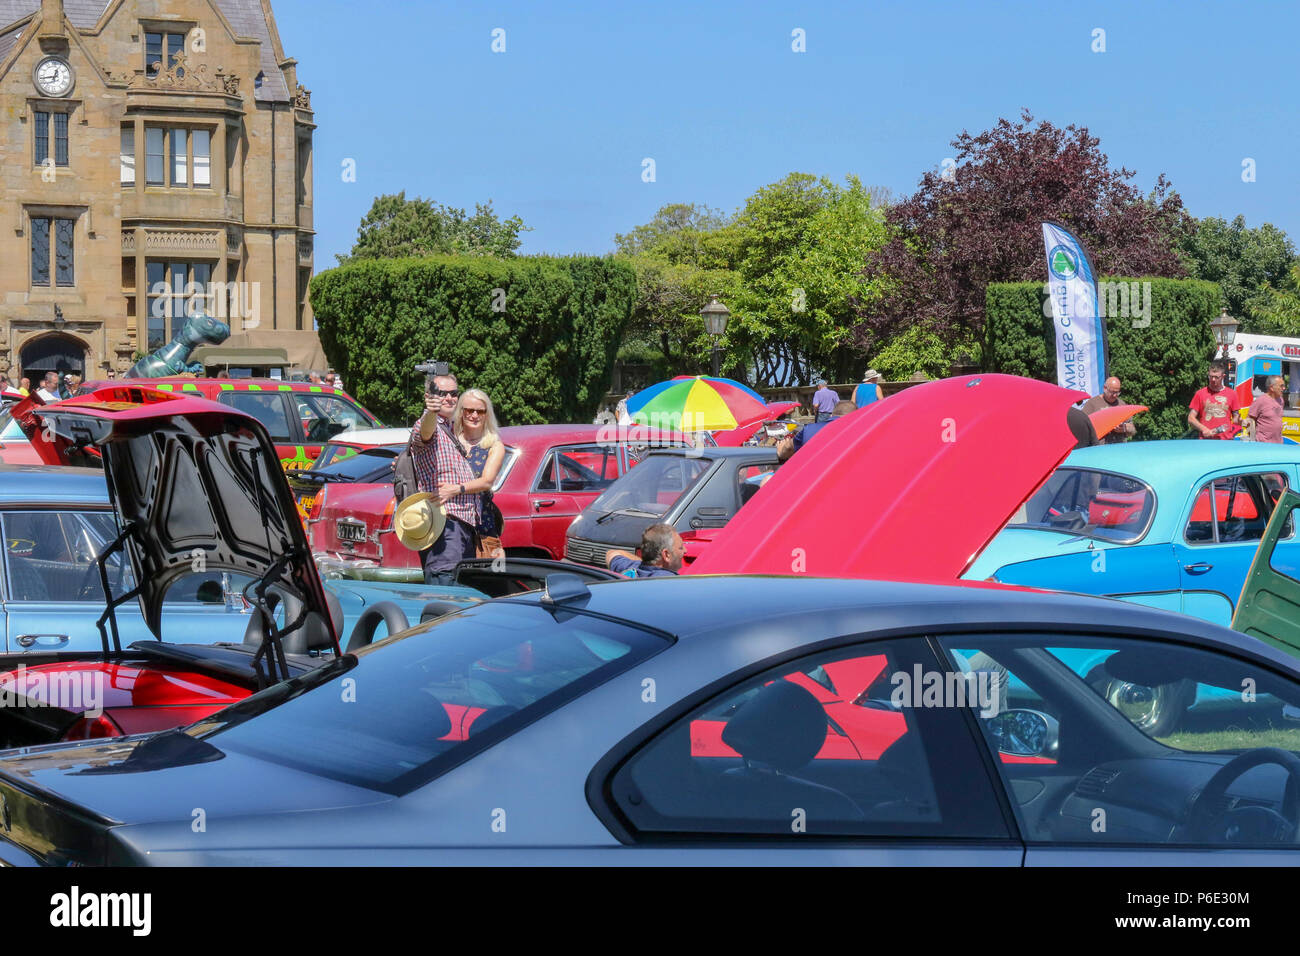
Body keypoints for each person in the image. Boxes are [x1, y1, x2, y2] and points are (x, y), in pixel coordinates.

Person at [408, 371, 480, 585]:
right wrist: (431, 411)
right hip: (444, 527)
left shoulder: (454, 429)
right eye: (441, 393)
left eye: (453, 393)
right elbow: (425, 433)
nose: (449, 398)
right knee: (445, 594)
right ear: (429, 396)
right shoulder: (429, 425)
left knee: (460, 600)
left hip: (464, 526)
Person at [451, 388, 507, 558]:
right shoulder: (450, 441)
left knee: (489, 578)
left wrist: (456, 489)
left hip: (482, 528)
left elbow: (486, 481)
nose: (474, 415)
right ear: (461, 412)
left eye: (480, 411)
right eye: (469, 410)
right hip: (451, 525)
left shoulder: (494, 446)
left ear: (486, 415)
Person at [777, 400, 855, 462]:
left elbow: (789, 447)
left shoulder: (809, 429)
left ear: (831, 415)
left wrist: (781, 452)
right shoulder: (860, 431)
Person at [606, 524, 685, 578]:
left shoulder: (631, 567)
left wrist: (646, 564)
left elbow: (611, 553)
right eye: (681, 548)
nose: (685, 551)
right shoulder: (670, 581)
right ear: (666, 554)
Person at [1188, 361, 1241, 439]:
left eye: (1216, 377)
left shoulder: (1232, 394)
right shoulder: (1200, 394)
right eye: (1211, 376)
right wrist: (1204, 429)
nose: (1213, 379)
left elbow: (1236, 420)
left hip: (1225, 441)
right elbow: (1191, 418)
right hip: (1206, 441)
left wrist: (1241, 421)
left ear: (1223, 376)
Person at [1079, 376, 1136, 443]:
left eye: (1117, 392)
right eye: (1112, 392)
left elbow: (1133, 430)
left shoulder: (1122, 404)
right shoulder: (1092, 403)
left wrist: (1124, 428)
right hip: (1099, 448)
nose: (1115, 395)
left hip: (1119, 448)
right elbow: (1082, 426)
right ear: (1104, 388)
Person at [1248, 375, 1286, 443]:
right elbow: (1250, 420)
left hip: (1278, 443)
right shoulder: (1261, 401)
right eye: (1281, 386)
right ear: (1271, 388)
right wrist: (1253, 440)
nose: (1284, 388)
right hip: (1263, 443)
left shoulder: (1281, 400)